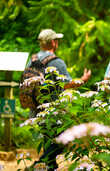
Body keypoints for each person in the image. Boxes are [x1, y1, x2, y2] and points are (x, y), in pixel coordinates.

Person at [27, 29, 91, 170]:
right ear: (53, 43)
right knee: (63, 138)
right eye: (57, 41)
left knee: (48, 139)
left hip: (35, 108)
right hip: (54, 109)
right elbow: (67, 84)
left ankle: (49, 167)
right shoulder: (57, 62)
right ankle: (36, 166)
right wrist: (83, 79)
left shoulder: (32, 60)